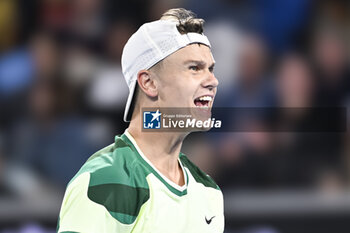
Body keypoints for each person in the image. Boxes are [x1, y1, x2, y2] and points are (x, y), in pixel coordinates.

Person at [56, 8, 224, 233]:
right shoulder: (107, 180)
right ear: (149, 83)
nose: (213, 81)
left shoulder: (208, 191)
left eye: (211, 69)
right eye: (194, 68)